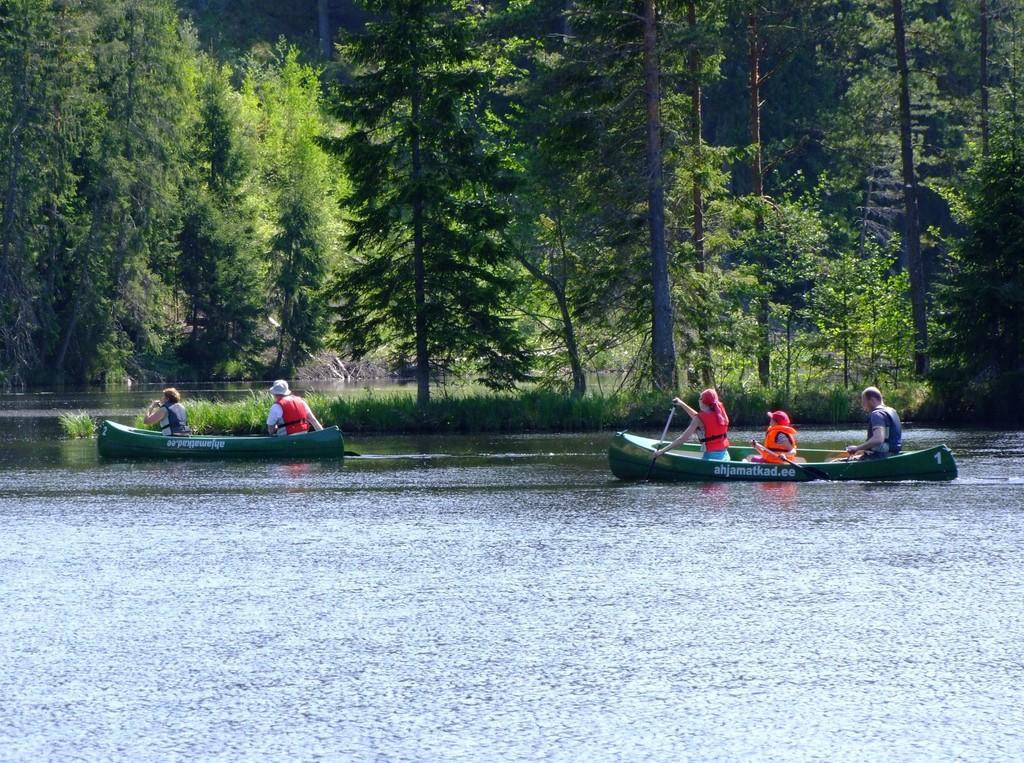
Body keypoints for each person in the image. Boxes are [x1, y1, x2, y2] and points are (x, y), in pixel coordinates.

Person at [654, 388, 731, 461]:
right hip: (725, 456)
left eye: (700, 398)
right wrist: (681, 403)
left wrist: (661, 451)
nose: (698, 400)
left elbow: (682, 439)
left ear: (704, 401)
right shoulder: (720, 414)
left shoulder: (699, 419)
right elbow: (699, 417)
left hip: (710, 457)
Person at [845, 386, 901, 458]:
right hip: (895, 452)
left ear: (872, 400)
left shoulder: (877, 414)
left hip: (881, 456)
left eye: (864, 403)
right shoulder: (892, 411)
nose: (864, 407)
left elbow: (878, 439)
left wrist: (857, 448)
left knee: (835, 461)